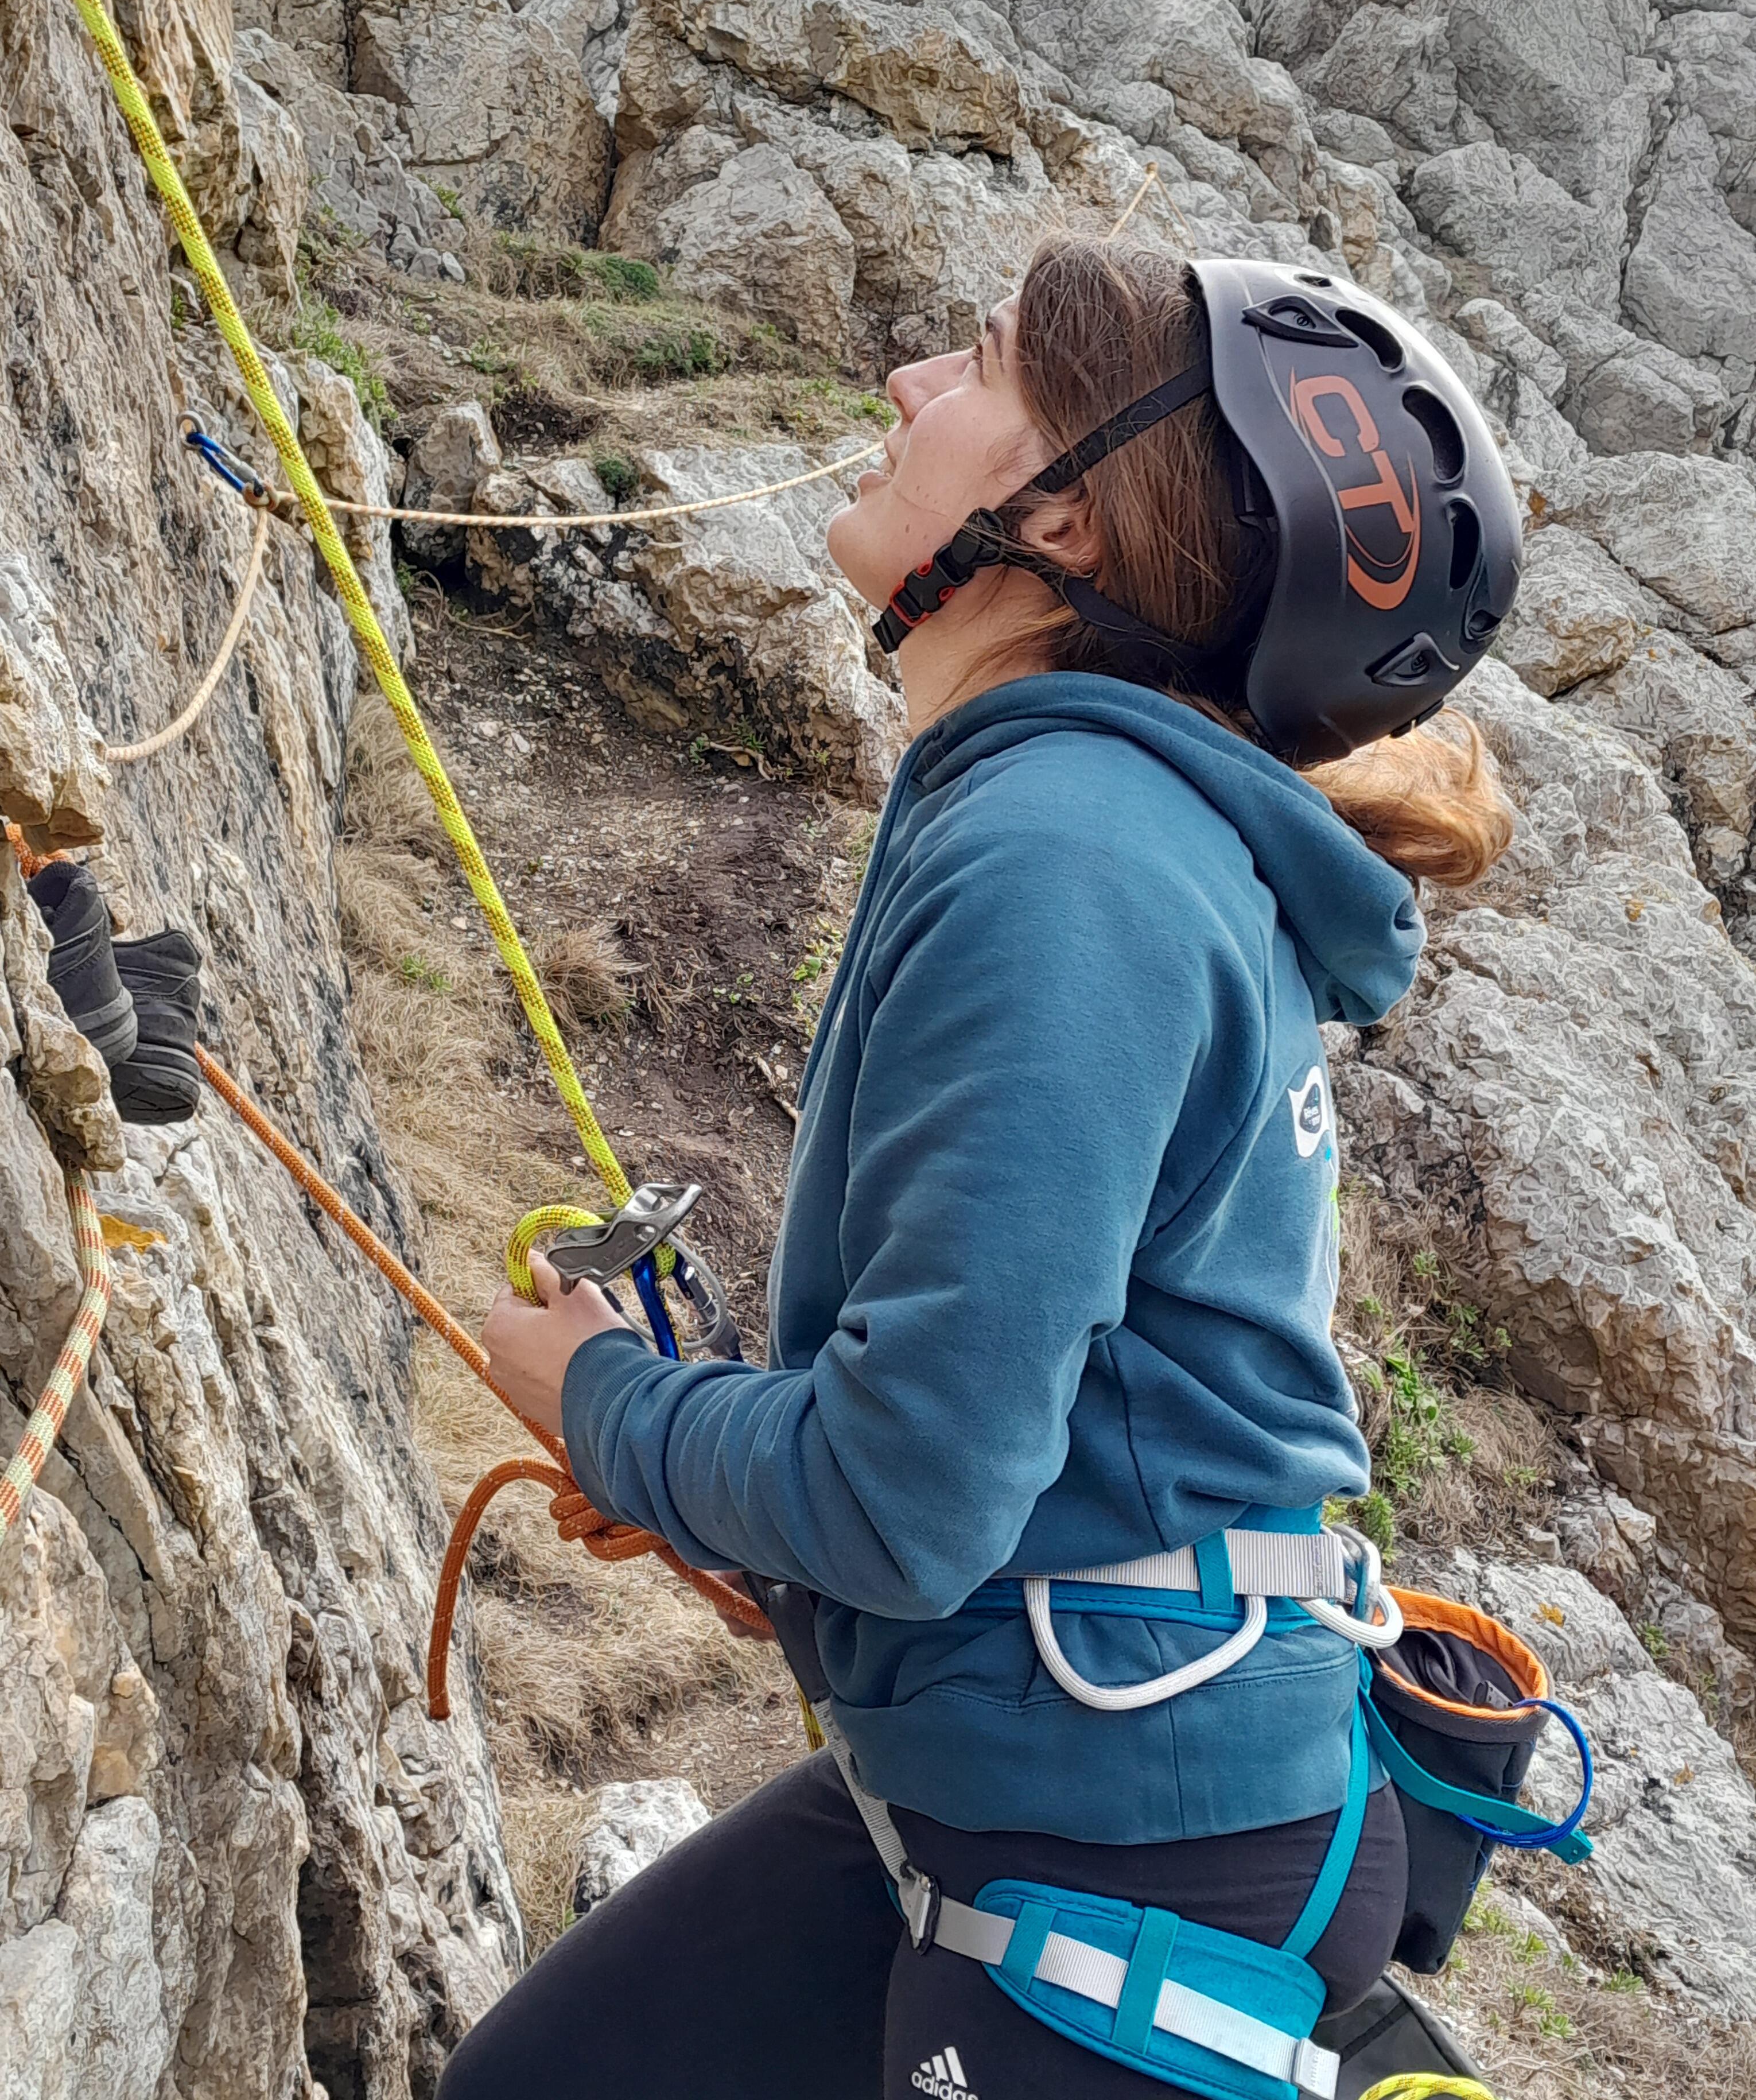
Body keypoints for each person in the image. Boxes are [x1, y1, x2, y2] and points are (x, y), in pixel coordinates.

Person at [441, 238, 1521, 2099]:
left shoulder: (1066, 860)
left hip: (1121, 1840)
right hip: (1053, 1767)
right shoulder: (1088, 820)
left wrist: (607, 1405)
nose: (905, 389)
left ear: (1069, 514)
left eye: (981, 364)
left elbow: (904, 1499)